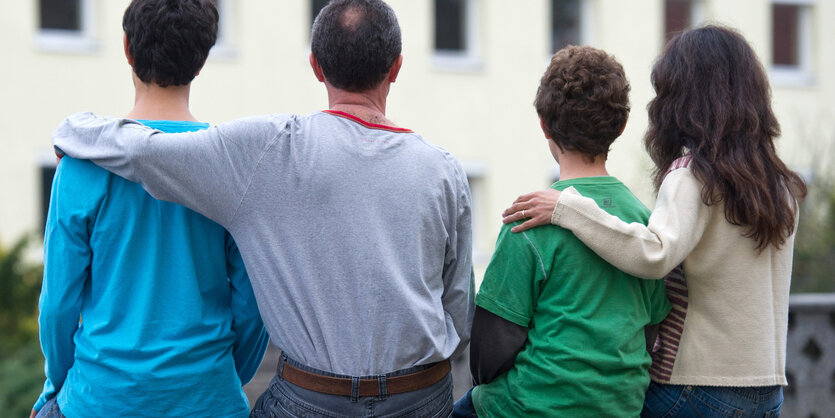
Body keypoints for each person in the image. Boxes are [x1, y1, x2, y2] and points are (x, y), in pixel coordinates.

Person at [51, 0, 474, 416]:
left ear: (315, 66)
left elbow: (143, 152)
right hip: (417, 394)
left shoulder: (263, 153)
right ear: (396, 67)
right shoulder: (445, 170)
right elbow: (459, 308)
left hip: (297, 397)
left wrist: (74, 130)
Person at [502, 25, 806, 416]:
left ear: (685, 99)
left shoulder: (694, 174)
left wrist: (567, 207)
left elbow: (655, 254)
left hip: (696, 386)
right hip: (766, 389)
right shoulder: (780, 185)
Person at [32, 1, 269, 417]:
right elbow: (253, 304)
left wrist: (57, 385)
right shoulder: (231, 169)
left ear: (126, 48)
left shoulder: (80, 167)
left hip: (99, 400)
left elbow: (57, 305)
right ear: (203, 60)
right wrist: (224, 376)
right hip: (208, 399)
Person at [452, 45, 671, 417]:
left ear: (543, 123)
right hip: (621, 408)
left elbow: (489, 353)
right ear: (620, 127)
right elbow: (652, 331)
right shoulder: (645, 223)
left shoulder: (529, 219)